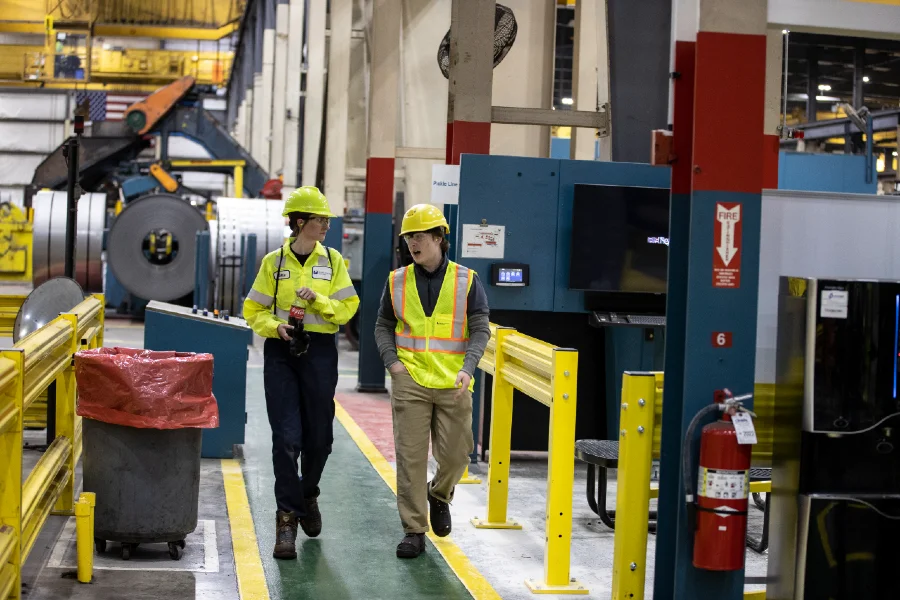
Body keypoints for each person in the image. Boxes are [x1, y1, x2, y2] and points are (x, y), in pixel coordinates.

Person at [243, 186, 359, 560]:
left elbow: (348, 309)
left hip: (320, 353)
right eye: (319, 219)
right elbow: (252, 310)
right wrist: (275, 327)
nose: (325, 224)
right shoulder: (273, 264)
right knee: (286, 438)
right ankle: (287, 517)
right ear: (298, 222)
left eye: (325, 219)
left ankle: (308, 494)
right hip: (282, 352)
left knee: (320, 439)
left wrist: (320, 300)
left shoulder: (334, 261)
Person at [374, 204, 491, 558]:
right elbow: (382, 325)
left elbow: (481, 328)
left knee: (457, 456)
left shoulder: (466, 280)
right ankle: (414, 530)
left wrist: (469, 368)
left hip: (454, 382)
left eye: (420, 236)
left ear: (440, 238)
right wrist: (393, 365)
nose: (413, 242)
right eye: (409, 236)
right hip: (410, 380)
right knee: (409, 459)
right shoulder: (396, 280)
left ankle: (439, 494)